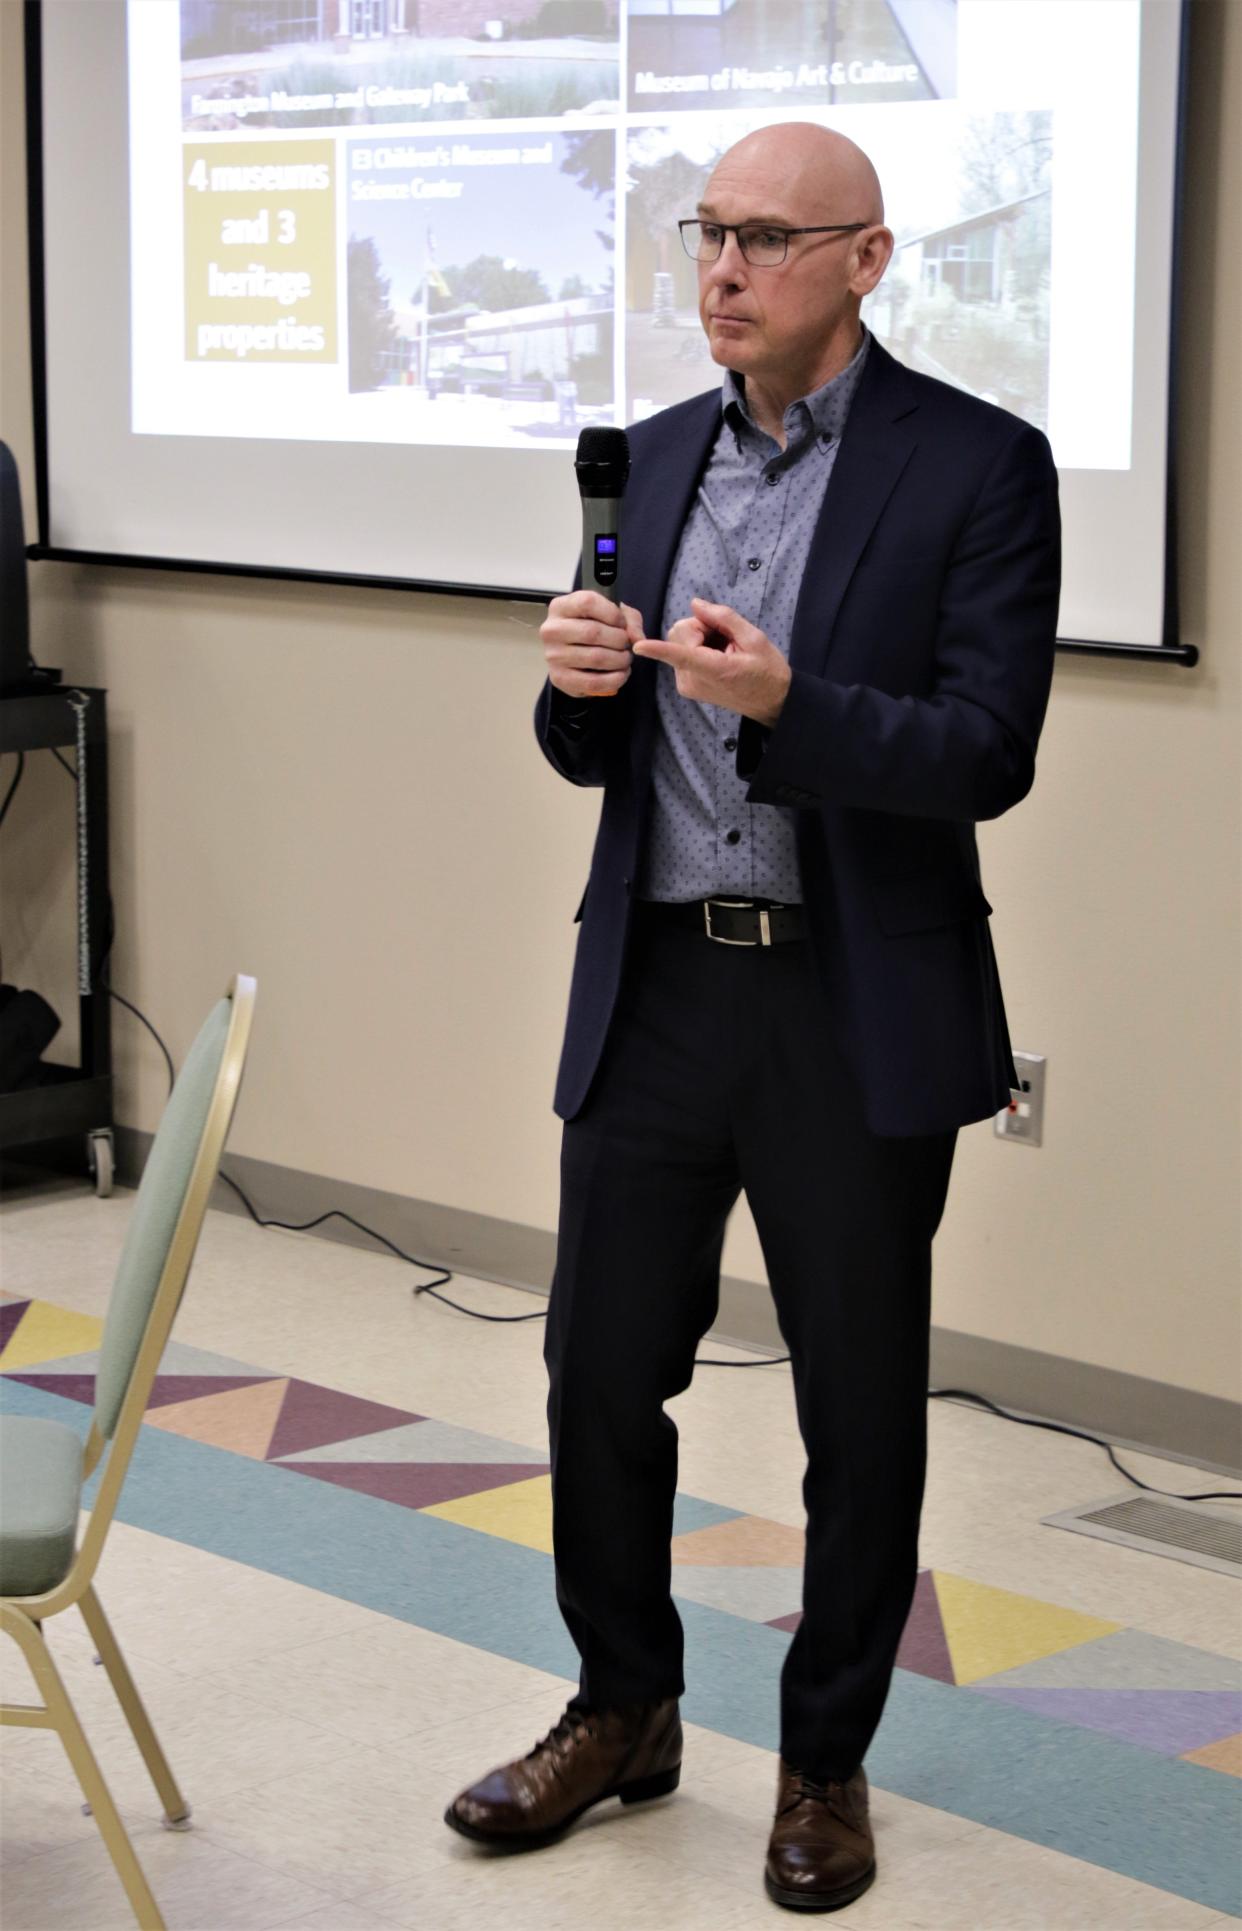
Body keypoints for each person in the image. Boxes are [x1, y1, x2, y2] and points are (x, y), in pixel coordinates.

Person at [445, 122, 1061, 1913]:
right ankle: (622, 1706)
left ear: (865, 261)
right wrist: (570, 692)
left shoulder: (978, 464)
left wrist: (794, 705)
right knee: (590, 1375)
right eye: (708, 233)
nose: (720, 269)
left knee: (857, 1411)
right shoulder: (643, 457)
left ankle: (823, 1762)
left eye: (765, 239)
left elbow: (984, 752)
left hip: (844, 996)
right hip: (653, 982)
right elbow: (601, 749)